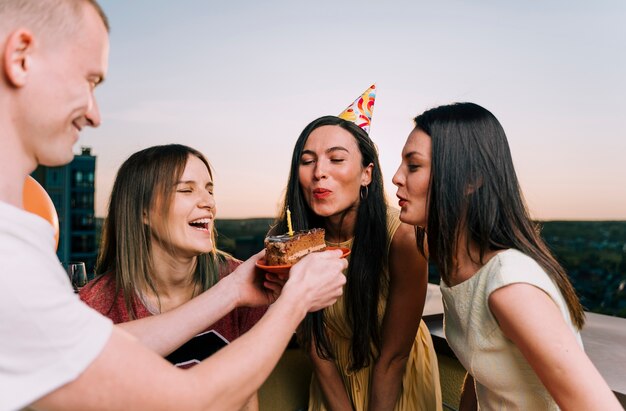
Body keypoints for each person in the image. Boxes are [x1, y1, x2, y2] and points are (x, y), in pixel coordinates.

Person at [0, 1, 347, 410]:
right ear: (21, 57)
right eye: (89, 80)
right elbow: (187, 400)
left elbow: (107, 348)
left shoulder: (21, 240)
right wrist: (297, 300)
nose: (95, 114)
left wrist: (233, 290)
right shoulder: (13, 263)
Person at [392, 102, 622, 410]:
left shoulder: (511, 286)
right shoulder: (459, 270)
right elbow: (483, 369)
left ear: (471, 180)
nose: (396, 177)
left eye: (414, 165)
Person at [269, 87, 442, 411]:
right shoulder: (291, 246)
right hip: (331, 379)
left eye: (336, 159)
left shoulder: (402, 237)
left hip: (395, 380)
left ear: (366, 174)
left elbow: (393, 358)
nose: (320, 171)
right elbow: (315, 347)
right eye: (308, 161)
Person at [79, 144, 266, 409]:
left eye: (209, 190)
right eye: (186, 190)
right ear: (143, 211)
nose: (208, 202)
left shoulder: (240, 278)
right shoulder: (94, 306)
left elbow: (246, 393)